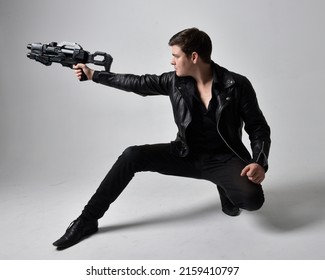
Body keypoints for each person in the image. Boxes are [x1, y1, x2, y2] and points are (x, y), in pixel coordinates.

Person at [53, 27, 271, 249]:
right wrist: (93, 75)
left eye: (176, 56)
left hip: (225, 159)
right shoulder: (174, 82)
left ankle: (224, 184)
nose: (172, 61)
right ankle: (86, 220)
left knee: (252, 201)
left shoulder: (237, 85)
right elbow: (137, 83)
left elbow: (258, 127)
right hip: (186, 154)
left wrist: (259, 162)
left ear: (194, 57)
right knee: (132, 155)